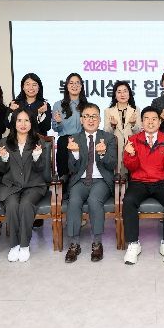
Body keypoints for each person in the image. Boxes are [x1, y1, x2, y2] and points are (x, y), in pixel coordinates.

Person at [121, 106, 164, 265]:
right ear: (142, 122)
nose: (150, 122)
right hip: (139, 182)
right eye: (146, 119)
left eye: (154, 119)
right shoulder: (133, 139)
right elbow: (130, 167)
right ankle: (133, 244)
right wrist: (131, 154)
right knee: (128, 200)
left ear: (160, 122)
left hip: (163, 181)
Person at [64, 103, 117, 263]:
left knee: (94, 200)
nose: (90, 119)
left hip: (101, 181)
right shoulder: (74, 138)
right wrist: (74, 153)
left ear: (99, 119)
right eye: (87, 116)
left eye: (94, 116)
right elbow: (72, 168)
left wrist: (102, 154)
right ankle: (74, 244)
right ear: (81, 120)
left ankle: (97, 243)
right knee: (73, 201)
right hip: (80, 181)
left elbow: (112, 164)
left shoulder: (109, 138)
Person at [0, 108, 48, 263]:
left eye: (27, 120)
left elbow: (42, 169)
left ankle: (25, 245)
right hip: (11, 185)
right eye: (19, 120)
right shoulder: (4, 142)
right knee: (12, 206)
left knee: (26, 205)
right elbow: (1, 170)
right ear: (14, 123)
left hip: (33, 185)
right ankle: (14, 245)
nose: (23, 124)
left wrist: (37, 157)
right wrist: (4, 159)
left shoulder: (38, 142)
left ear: (32, 123)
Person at [10, 72, 52, 228]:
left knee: (35, 174)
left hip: (36, 145)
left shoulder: (44, 104)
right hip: (18, 146)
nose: (31, 87)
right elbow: (9, 125)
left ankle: (35, 214)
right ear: (22, 86)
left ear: (39, 87)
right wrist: (11, 112)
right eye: (27, 84)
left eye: (34, 84)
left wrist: (42, 114)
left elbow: (46, 126)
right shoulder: (15, 103)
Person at [52, 73, 88, 181]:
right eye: (71, 83)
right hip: (64, 141)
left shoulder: (87, 106)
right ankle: (64, 183)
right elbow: (55, 128)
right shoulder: (58, 105)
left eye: (77, 83)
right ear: (67, 86)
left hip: (82, 140)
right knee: (64, 176)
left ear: (81, 86)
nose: (74, 85)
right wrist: (59, 122)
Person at [103, 81, 141, 176]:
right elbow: (106, 132)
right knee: (116, 173)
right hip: (115, 146)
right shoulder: (108, 111)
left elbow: (139, 131)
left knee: (130, 172)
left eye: (125, 91)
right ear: (115, 95)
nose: (122, 94)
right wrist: (112, 125)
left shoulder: (136, 109)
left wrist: (133, 124)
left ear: (129, 94)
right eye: (119, 92)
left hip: (131, 145)